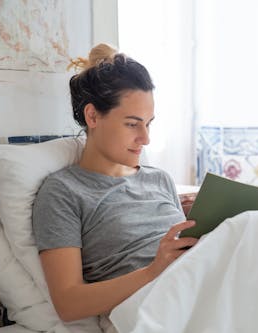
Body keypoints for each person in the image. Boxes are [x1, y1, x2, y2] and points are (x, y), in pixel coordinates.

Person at [32, 43, 198, 323]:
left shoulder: (160, 179)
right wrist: (152, 271)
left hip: (196, 285)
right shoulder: (63, 193)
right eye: (133, 124)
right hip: (152, 309)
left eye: (149, 123)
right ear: (93, 116)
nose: (146, 138)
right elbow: (68, 303)